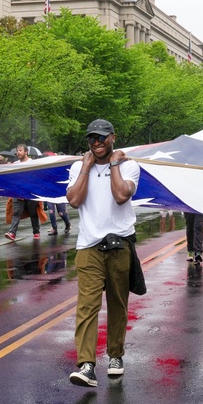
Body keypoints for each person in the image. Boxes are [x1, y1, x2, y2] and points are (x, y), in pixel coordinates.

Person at [66, 119, 140, 387]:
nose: (95, 143)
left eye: (101, 138)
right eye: (91, 139)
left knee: (118, 304)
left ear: (113, 138)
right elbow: (74, 200)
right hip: (88, 246)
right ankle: (86, 365)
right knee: (87, 306)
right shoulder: (78, 167)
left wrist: (114, 165)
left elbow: (121, 195)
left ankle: (116, 356)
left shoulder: (129, 165)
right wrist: (86, 168)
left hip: (119, 245)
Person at [5, 145, 41, 240]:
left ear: (26, 152)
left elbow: (37, 176)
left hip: (30, 192)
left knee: (33, 213)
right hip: (18, 192)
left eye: (20, 150)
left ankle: (36, 232)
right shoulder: (15, 164)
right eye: (17, 151)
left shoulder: (33, 163)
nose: (18, 152)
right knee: (16, 212)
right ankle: (12, 233)